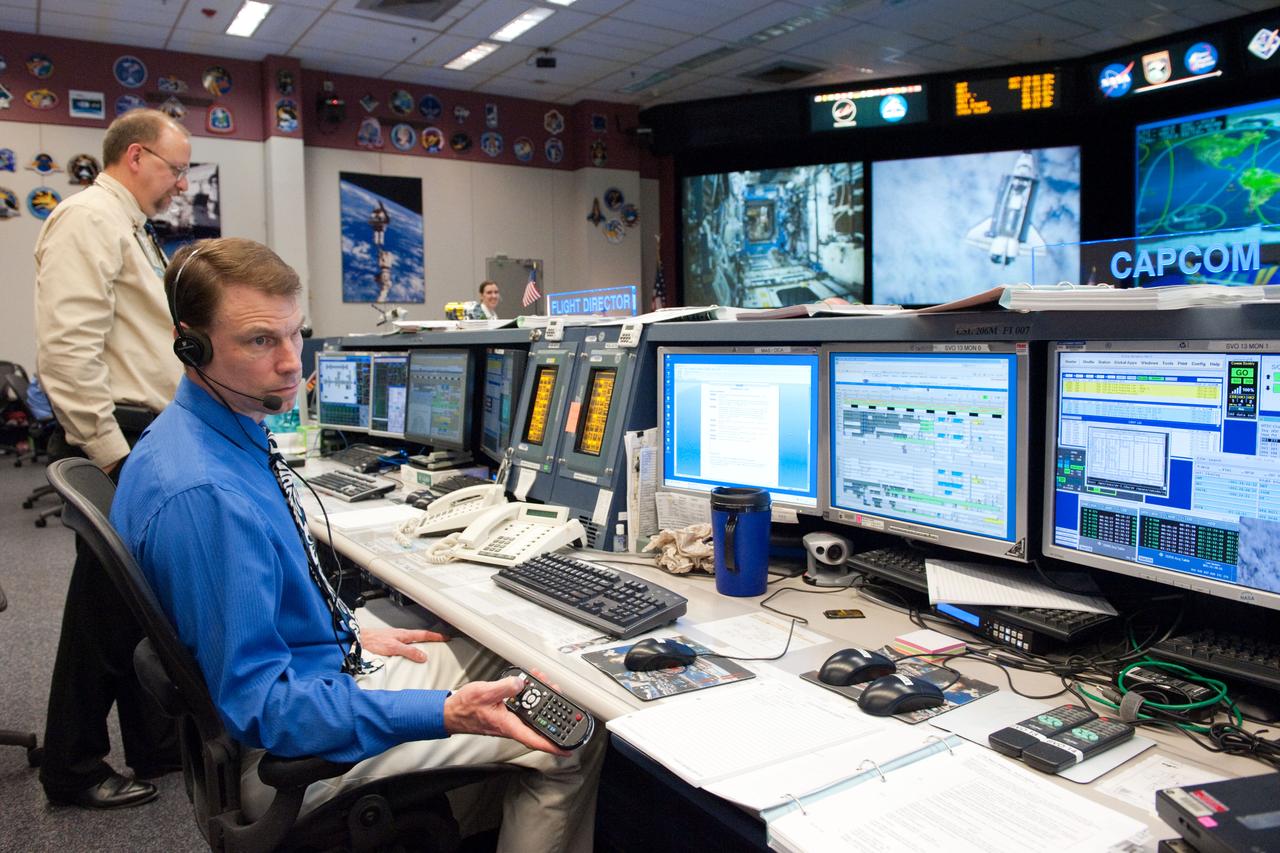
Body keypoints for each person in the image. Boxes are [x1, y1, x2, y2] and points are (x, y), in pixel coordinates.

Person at [111, 238, 603, 849]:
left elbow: (248, 613)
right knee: (571, 725)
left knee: (514, 671)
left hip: (313, 676)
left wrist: (341, 624)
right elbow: (267, 707)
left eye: (296, 334)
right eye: (261, 340)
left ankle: (441, 814)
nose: (293, 361)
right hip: (285, 753)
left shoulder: (203, 436)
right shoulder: (206, 493)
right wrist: (445, 713)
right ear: (192, 343)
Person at [33, 108, 190, 809]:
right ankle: (71, 765)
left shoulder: (128, 225)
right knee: (101, 612)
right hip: (118, 437)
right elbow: (68, 349)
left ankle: (151, 744)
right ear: (134, 155)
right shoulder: (88, 218)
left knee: (133, 604)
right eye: (175, 167)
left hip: (143, 433)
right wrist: (113, 453)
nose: (181, 182)